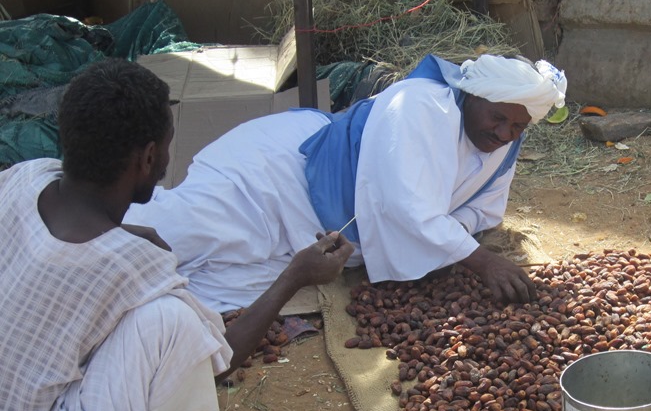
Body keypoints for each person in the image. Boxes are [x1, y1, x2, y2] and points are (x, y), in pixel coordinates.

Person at [0, 58, 352, 411]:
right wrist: (294, 276)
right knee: (172, 321)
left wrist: (126, 236)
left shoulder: (23, 179)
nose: (168, 157)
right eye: (166, 144)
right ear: (147, 158)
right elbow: (221, 356)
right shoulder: (130, 267)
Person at [125, 53, 568, 312]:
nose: (506, 134)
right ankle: (79, 246)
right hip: (278, 175)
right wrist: (479, 260)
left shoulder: (503, 146)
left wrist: (445, 239)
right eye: (498, 118)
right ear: (471, 98)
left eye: (518, 126)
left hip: (326, 232)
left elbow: (481, 212)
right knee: (173, 237)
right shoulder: (421, 107)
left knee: (210, 294)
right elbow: (408, 206)